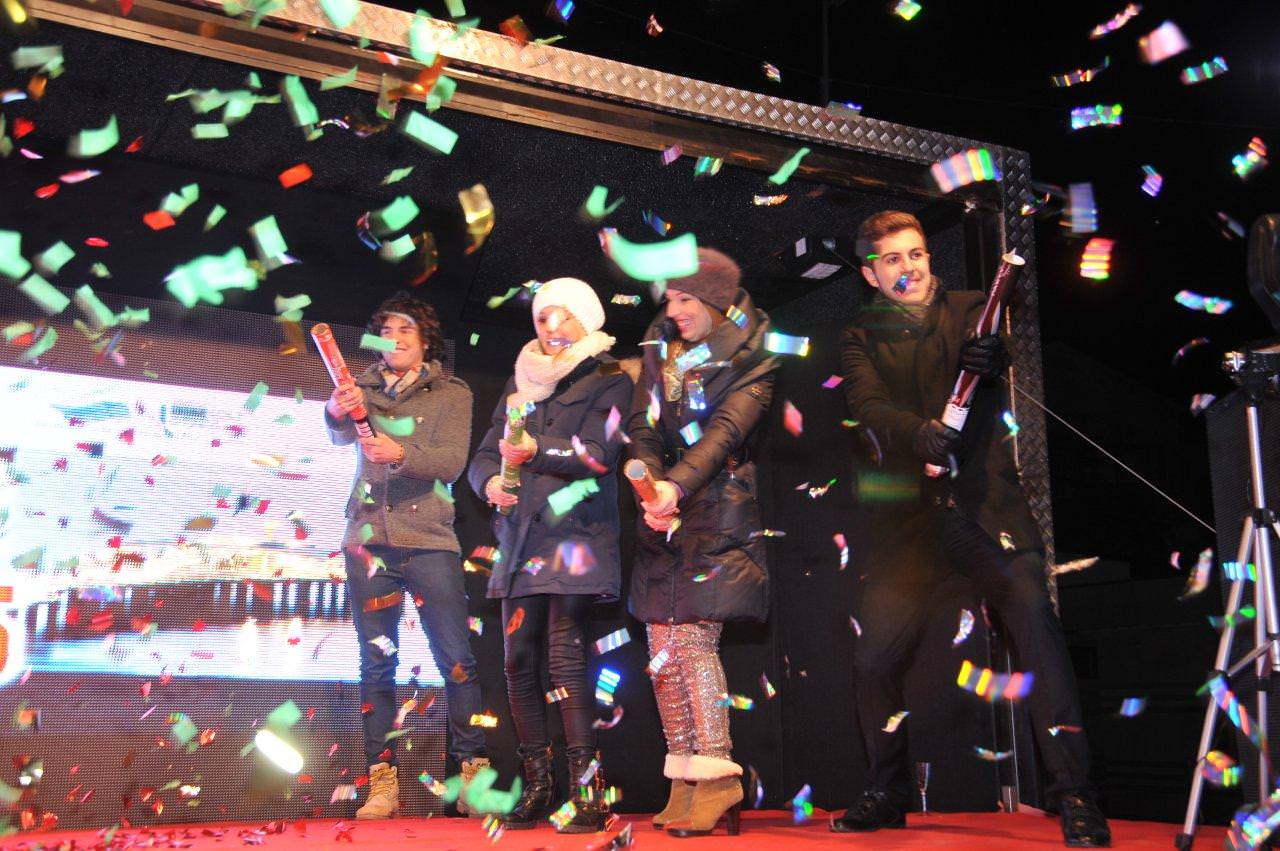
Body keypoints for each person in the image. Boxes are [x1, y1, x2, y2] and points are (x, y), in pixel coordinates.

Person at [833, 211, 1110, 847]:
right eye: (894, 260)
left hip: (986, 510)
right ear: (872, 274)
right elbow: (869, 408)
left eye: (917, 253)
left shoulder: (971, 310)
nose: (910, 267)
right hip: (909, 525)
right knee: (873, 657)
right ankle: (887, 791)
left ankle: (1076, 796)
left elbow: (994, 350)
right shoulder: (859, 334)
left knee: (1035, 624)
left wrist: (993, 353)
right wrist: (917, 434)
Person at [467, 277, 633, 833]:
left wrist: (540, 450)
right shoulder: (517, 392)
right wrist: (489, 481)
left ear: (587, 321)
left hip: (573, 539)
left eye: (564, 317)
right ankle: (539, 785)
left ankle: (588, 791)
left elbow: (599, 454)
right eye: (543, 319)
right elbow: (484, 455)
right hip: (518, 544)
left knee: (564, 660)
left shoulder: (609, 381)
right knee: (516, 662)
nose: (552, 327)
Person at [626, 248, 778, 838]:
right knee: (661, 656)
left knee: (691, 642)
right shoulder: (656, 347)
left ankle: (718, 778)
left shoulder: (754, 355)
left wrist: (674, 486)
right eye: (670, 298)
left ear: (715, 299)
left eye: (685, 298)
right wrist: (647, 478)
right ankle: (684, 779)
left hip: (716, 509)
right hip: (662, 509)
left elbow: (725, 432)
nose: (674, 309)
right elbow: (641, 423)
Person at [324, 293, 490, 820]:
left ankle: (472, 776)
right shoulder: (360, 389)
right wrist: (334, 409)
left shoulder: (452, 392)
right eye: (385, 331)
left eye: (405, 332)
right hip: (369, 540)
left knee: (456, 659)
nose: (393, 340)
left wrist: (401, 454)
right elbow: (336, 433)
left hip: (430, 541)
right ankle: (382, 785)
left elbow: (452, 462)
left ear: (424, 343)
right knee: (378, 662)